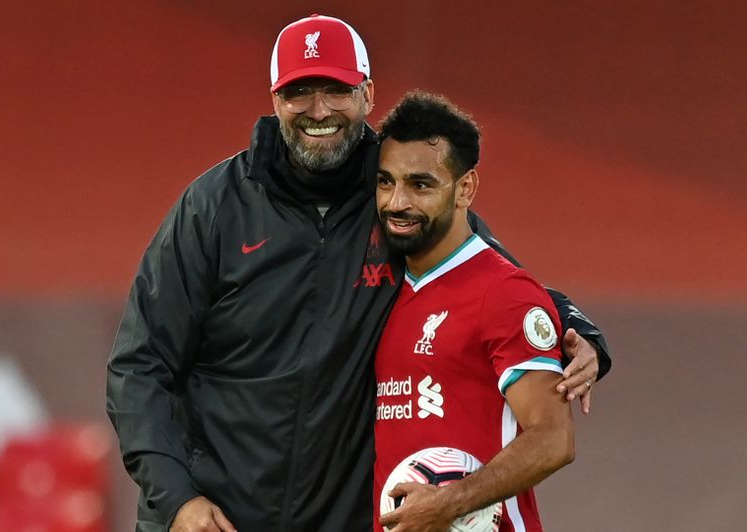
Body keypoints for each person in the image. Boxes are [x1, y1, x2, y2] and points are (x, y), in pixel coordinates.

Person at [106, 14, 610, 532]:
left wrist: (580, 331)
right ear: (275, 99)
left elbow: (485, 274)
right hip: (212, 519)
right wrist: (176, 499)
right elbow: (139, 365)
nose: (318, 110)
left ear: (368, 93)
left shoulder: (396, 193)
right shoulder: (213, 208)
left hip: (337, 518)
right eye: (299, 91)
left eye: (336, 90)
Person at [372, 92, 575, 532]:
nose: (396, 202)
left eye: (420, 185)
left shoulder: (503, 292)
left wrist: (449, 503)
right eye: (386, 181)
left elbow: (553, 438)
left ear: (465, 188)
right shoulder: (379, 291)